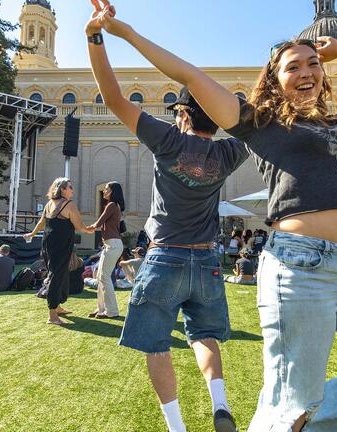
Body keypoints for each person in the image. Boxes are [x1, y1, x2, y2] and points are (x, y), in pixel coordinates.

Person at [89, 3, 337, 431]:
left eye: (313, 64)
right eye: (293, 67)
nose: (307, 71)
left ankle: (295, 423)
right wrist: (121, 32)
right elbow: (187, 75)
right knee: (293, 407)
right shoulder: (258, 123)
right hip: (300, 266)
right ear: (274, 80)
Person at [87, 6, 251, 430]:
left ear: (183, 114)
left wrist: (95, 37)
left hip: (164, 258)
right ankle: (220, 405)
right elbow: (256, 116)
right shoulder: (230, 152)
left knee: (157, 346)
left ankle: (177, 427)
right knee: (204, 336)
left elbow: (113, 98)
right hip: (207, 260)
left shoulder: (168, 140)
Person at [24, 177, 92, 325]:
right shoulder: (69, 205)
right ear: (62, 189)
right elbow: (79, 226)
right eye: (70, 187)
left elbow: (41, 222)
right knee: (55, 276)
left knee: (59, 274)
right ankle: (52, 315)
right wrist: (91, 229)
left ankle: (58, 307)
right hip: (61, 246)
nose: (72, 190)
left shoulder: (49, 204)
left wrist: (32, 234)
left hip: (48, 244)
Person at [86, 181, 126, 319]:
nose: (104, 191)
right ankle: (101, 308)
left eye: (107, 189)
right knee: (100, 276)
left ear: (113, 192)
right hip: (110, 245)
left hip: (113, 245)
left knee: (104, 277)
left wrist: (84, 228)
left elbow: (98, 223)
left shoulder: (111, 205)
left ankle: (112, 311)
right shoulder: (115, 206)